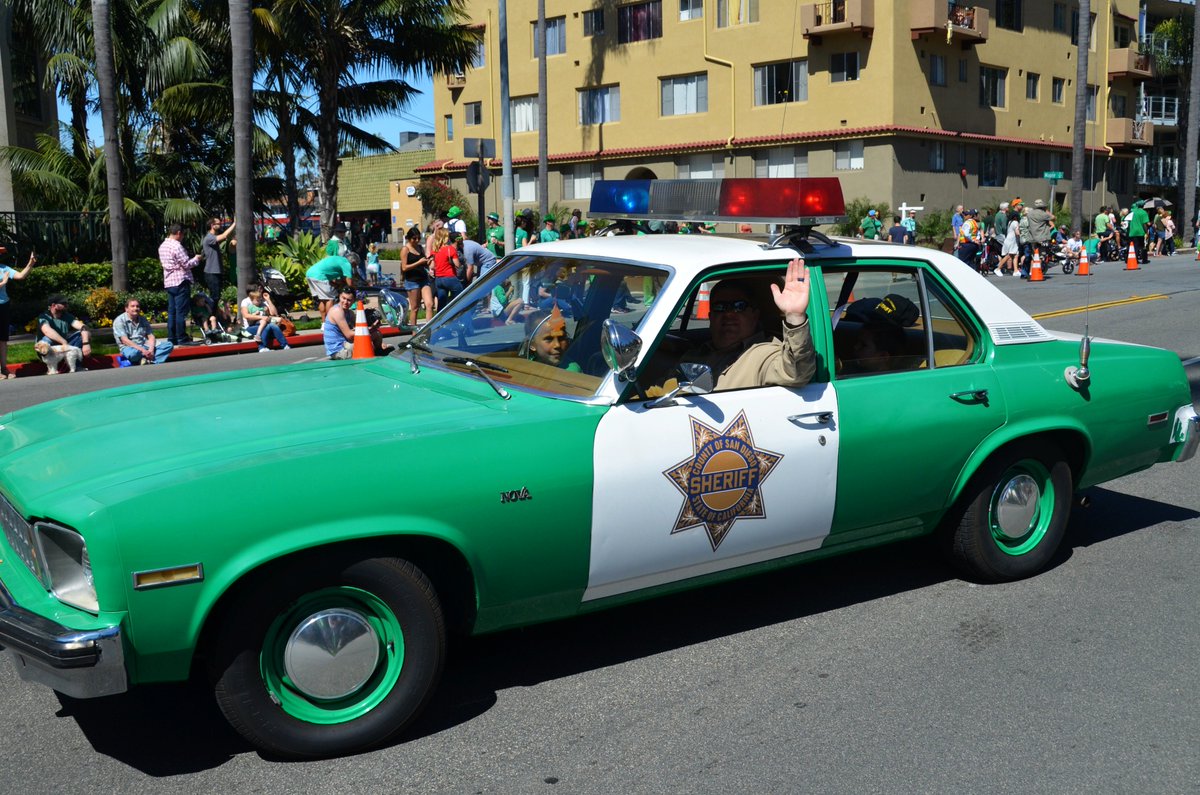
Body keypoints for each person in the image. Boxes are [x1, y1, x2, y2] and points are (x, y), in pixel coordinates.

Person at [680, 257, 815, 391]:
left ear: (755, 316)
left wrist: (794, 316)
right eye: (720, 307)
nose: (729, 314)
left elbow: (796, 372)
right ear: (711, 317)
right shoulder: (695, 355)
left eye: (739, 306)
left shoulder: (763, 355)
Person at [159, 224, 203, 346]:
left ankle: (172, 337)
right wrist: (197, 259)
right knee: (181, 312)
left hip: (169, 282)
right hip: (180, 281)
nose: (183, 237)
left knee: (172, 311)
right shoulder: (177, 246)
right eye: (183, 234)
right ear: (178, 233)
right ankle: (182, 338)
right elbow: (186, 264)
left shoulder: (162, 246)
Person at [0, 248, 34, 379]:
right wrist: (3, 282)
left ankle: (4, 369)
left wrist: (30, 263)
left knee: (3, 339)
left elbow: (20, 276)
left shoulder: (3, 268)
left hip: (3, 305)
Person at [323, 288, 385, 359]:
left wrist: (373, 327)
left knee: (377, 334)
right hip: (339, 351)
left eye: (349, 300)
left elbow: (358, 329)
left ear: (353, 301)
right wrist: (371, 329)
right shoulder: (337, 311)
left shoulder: (350, 313)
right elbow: (349, 335)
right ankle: (376, 352)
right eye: (343, 298)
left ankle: (379, 351)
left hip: (346, 344)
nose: (345, 302)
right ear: (339, 296)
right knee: (367, 343)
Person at [113, 297, 174, 365]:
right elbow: (125, 340)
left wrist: (151, 349)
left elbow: (150, 336)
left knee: (168, 345)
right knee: (133, 354)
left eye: (137, 306)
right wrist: (142, 350)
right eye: (132, 306)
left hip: (144, 344)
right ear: (126, 309)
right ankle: (148, 359)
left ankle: (148, 361)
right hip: (129, 347)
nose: (135, 308)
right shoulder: (119, 321)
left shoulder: (143, 319)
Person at [37, 294, 91, 368]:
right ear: (53, 305)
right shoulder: (44, 316)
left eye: (66, 303)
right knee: (46, 340)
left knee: (84, 335)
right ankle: (52, 366)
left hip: (63, 347)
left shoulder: (66, 316)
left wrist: (86, 343)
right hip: (49, 349)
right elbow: (47, 331)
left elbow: (83, 327)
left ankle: (76, 365)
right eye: (63, 303)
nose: (66, 305)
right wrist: (64, 342)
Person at [306, 240, 353, 320]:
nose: (354, 268)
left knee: (322, 299)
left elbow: (331, 278)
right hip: (319, 276)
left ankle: (324, 322)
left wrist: (337, 284)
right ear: (353, 262)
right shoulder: (346, 263)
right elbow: (349, 281)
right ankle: (330, 321)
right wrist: (352, 291)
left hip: (310, 274)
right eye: (355, 265)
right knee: (330, 299)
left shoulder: (336, 259)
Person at [522, 305, 580, 370]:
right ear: (532, 344)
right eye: (549, 339)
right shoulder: (524, 365)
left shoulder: (571, 371)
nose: (557, 345)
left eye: (561, 338)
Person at [400, 226, 433, 327]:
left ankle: (429, 329)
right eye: (414, 238)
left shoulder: (420, 248)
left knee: (429, 304)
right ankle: (414, 332)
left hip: (423, 279)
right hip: (412, 281)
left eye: (419, 238)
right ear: (409, 238)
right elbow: (404, 267)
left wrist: (428, 262)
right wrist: (419, 262)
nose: (417, 240)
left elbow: (424, 263)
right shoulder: (405, 249)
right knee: (415, 308)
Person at [240, 287, 290, 352]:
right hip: (251, 326)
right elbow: (246, 316)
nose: (262, 290)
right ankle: (262, 347)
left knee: (273, 325)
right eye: (259, 289)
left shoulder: (262, 301)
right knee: (267, 326)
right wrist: (261, 317)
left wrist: (268, 300)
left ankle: (285, 345)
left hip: (265, 323)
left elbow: (274, 313)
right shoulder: (246, 302)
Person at [201, 218, 236, 301]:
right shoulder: (209, 238)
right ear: (212, 225)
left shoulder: (213, 237)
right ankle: (211, 310)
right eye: (218, 224)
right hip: (211, 272)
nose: (220, 225)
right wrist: (235, 223)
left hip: (216, 271)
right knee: (215, 297)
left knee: (217, 296)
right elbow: (224, 236)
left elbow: (226, 236)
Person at [430, 228, 464, 310]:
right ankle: (458, 315)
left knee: (441, 303)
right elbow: (457, 265)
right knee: (460, 299)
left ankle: (440, 317)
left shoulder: (435, 250)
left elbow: (432, 266)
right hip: (450, 277)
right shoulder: (450, 249)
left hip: (438, 279)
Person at [1026, 198, 1055, 265]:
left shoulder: (1029, 214)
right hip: (1042, 238)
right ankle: (1038, 268)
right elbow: (1054, 218)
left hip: (1032, 237)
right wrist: (1047, 211)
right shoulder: (1043, 214)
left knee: (1034, 255)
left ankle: (1032, 269)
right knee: (1041, 255)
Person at [998, 209, 1020, 276]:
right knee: (1009, 255)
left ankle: (1016, 270)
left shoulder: (1010, 222)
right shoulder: (1015, 222)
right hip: (1012, 241)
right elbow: (1017, 232)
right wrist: (1021, 234)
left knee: (1015, 255)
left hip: (1009, 240)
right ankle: (998, 268)